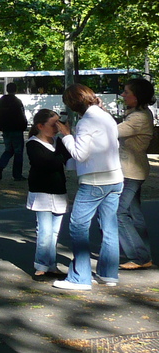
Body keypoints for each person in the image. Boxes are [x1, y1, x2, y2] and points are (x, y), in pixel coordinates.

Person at [53, 83, 122, 291]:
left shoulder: (86, 122)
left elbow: (80, 154)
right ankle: (108, 274)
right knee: (109, 227)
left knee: (78, 226)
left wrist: (66, 135)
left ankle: (80, 277)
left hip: (94, 180)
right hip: (115, 177)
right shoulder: (105, 116)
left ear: (74, 104)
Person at [26, 109, 70, 278]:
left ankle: (50, 264)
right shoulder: (33, 143)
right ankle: (41, 264)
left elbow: (70, 160)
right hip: (41, 191)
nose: (57, 128)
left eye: (59, 123)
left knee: (54, 232)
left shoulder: (58, 142)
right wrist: (63, 151)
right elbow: (46, 163)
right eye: (54, 124)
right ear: (40, 126)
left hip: (58, 190)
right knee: (44, 230)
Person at [117, 78, 155, 270]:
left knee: (119, 213)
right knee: (134, 213)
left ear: (136, 96)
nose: (123, 95)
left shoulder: (138, 117)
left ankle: (139, 256)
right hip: (134, 169)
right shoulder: (138, 113)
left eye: (126, 92)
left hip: (130, 171)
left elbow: (111, 132)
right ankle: (144, 255)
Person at [0, 82, 29, 181]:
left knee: (9, 149)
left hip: (5, 129)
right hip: (16, 129)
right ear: (16, 90)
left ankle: (0, 164)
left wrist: (0, 126)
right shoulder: (17, 102)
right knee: (18, 152)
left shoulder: (1, 102)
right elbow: (22, 115)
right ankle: (17, 175)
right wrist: (24, 125)